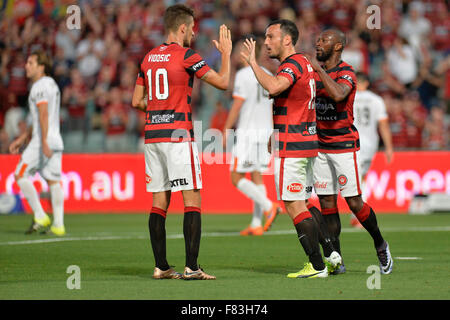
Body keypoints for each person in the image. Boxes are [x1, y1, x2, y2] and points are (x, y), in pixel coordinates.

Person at [131, 4, 232, 280]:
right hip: (177, 135)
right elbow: (223, 82)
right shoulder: (187, 55)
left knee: (159, 200)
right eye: (192, 27)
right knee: (192, 198)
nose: (194, 32)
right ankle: (191, 267)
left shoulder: (148, 58)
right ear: (183, 28)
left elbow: (136, 101)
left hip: (152, 136)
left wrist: (158, 112)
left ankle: (161, 267)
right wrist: (226, 55)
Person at [241, 20, 342, 278]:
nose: (266, 42)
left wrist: (253, 64)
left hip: (293, 144)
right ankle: (331, 254)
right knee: (306, 201)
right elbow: (296, 100)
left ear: (287, 40)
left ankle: (316, 266)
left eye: (271, 36)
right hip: (305, 141)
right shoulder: (306, 62)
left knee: (292, 203)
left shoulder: (292, 64)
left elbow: (275, 87)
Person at [308, 29, 393, 275]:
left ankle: (379, 242)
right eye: (318, 39)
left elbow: (337, 94)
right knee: (326, 202)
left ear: (337, 47)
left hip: (343, 146)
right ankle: (337, 259)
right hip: (320, 147)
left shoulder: (346, 72)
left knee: (354, 202)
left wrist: (319, 71)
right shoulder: (316, 74)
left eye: (324, 40)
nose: (318, 42)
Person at [222, 38, 280, 236]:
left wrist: (226, 128)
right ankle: (256, 223)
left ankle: (269, 206)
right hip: (265, 132)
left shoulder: (243, 75)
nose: (237, 54)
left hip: (248, 132)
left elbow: (237, 105)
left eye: (239, 50)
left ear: (248, 52)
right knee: (257, 176)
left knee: (235, 176)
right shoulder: (268, 73)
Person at [9, 50, 65, 236]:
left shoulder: (39, 86)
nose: (26, 66)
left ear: (41, 67)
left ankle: (40, 215)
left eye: (31, 63)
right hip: (55, 139)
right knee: (53, 180)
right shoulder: (52, 84)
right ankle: (58, 225)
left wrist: (42, 142)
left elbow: (42, 114)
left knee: (20, 174)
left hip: (43, 141)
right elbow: (39, 117)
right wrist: (23, 137)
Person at [350, 72, 394, 227]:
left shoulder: (349, 97)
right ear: (367, 83)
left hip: (353, 142)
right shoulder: (377, 100)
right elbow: (383, 124)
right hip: (371, 144)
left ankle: (360, 215)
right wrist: (388, 147)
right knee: (361, 178)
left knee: (355, 179)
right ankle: (359, 214)